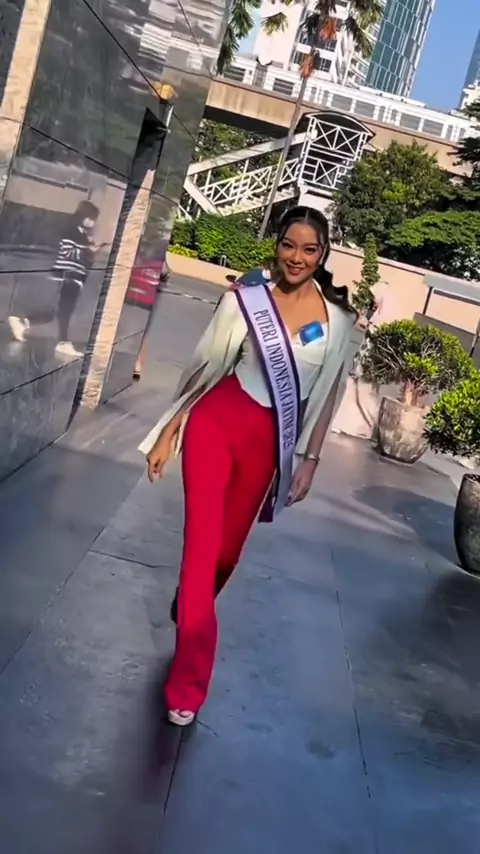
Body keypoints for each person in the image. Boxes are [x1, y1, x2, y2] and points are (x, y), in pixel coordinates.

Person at [140, 206, 356, 727]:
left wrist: (309, 460)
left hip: (268, 443)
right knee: (200, 548)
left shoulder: (339, 323)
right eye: (289, 245)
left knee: (225, 554)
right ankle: (188, 684)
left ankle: (190, 604)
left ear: (323, 254)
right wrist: (170, 430)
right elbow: (207, 368)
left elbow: (327, 396)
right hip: (217, 422)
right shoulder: (247, 300)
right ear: (276, 245)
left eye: (309, 249)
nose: (296, 257)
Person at [9, 200, 100, 357]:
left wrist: (91, 250)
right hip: (68, 275)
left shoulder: (82, 234)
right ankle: (62, 343)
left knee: (55, 313)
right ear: (85, 216)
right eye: (92, 218)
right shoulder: (72, 230)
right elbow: (67, 251)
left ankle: (22, 322)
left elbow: (83, 257)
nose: (93, 222)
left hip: (74, 276)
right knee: (65, 311)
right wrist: (87, 250)